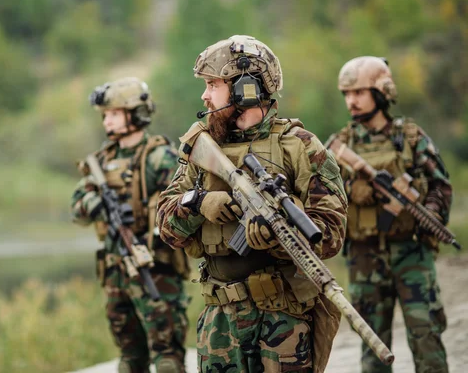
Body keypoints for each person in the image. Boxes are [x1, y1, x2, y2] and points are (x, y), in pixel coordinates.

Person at [156, 35, 348, 372]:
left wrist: (279, 231)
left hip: (283, 319)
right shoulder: (202, 147)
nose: (204, 94)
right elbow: (166, 228)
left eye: (213, 84)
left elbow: (331, 235)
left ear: (245, 87)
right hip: (220, 322)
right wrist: (198, 202)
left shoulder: (300, 147)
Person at [328, 56, 452, 373]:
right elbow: (321, 197)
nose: (351, 101)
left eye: (359, 92)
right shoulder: (340, 145)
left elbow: (440, 184)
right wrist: (351, 189)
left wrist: (432, 213)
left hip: (411, 253)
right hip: (364, 257)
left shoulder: (410, 138)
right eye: (346, 93)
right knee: (373, 348)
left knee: (427, 338)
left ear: (381, 92)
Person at [71, 77, 190, 373]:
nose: (106, 121)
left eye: (113, 114)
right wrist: (95, 205)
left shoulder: (160, 158)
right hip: (115, 274)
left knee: (167, 361)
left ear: (135, 113)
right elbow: (77, 207)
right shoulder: (101, 160)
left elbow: (184, 208)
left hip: (156, 270)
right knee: (129, 361)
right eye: (105, 115)